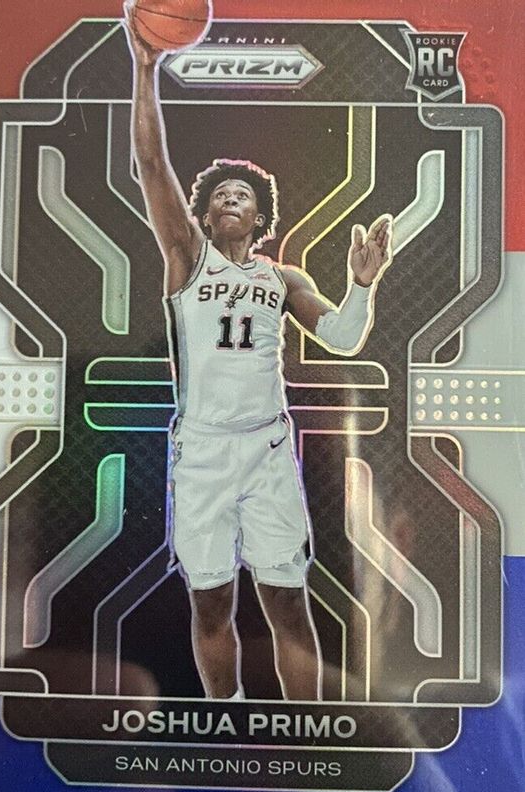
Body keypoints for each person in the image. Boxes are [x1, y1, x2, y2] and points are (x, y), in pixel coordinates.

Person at [123, 2, 392, 702]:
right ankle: (226, 714)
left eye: (242, 194)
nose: (230, 200)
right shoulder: (187, 259)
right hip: (204, 450)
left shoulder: (283, 279)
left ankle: (303, 731)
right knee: (211, 604)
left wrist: (361, 286)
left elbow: (341, 337)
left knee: (287, 604)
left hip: (268, 449)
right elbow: (150, 162)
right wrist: (145, 67)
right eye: (220, 195)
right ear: (205, 213)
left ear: (258, 214)